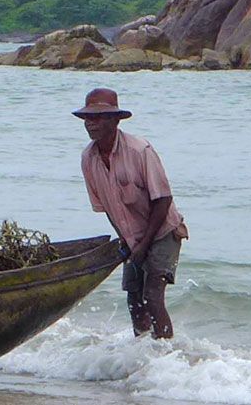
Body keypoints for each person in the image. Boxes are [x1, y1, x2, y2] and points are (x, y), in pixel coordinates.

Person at [75, 87, 187, 339]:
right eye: (87, 118)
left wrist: (144, 245)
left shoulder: (139, 150)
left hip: (163, 231)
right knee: (134, 299)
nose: (91, 124)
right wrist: (128, 243)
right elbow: (108, 209)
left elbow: (163, 199)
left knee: (152, 297)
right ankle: (142, 355)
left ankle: (165, 357)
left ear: (115, 120)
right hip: (133, 238)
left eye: (98, 117)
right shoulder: (88, 158)